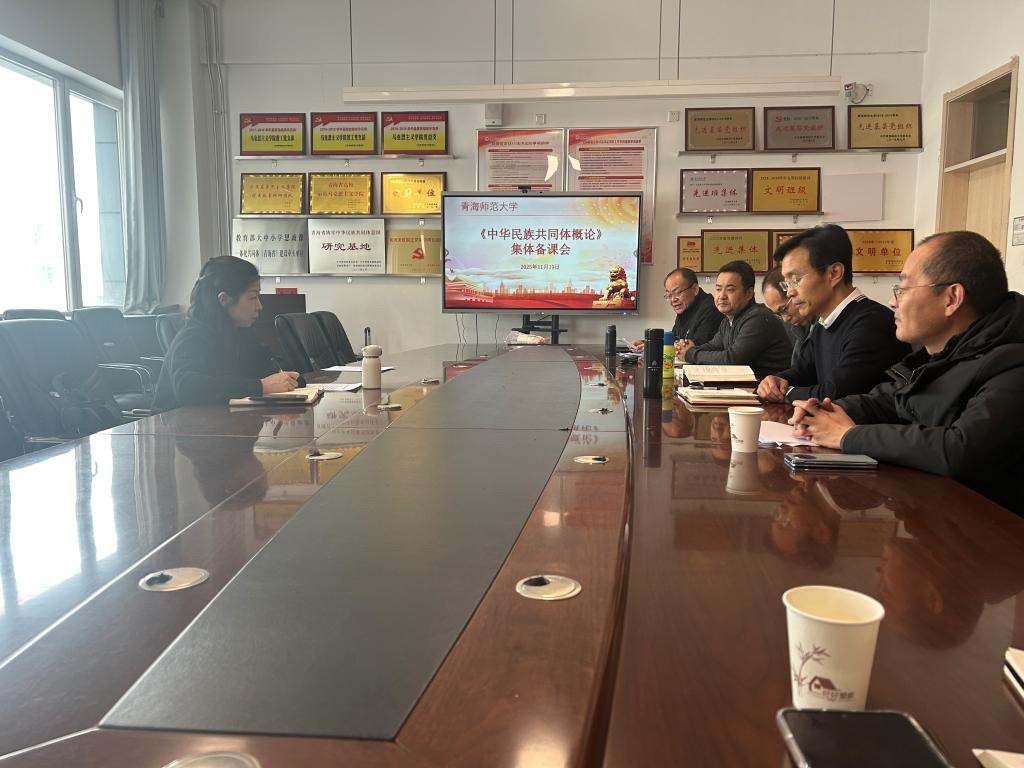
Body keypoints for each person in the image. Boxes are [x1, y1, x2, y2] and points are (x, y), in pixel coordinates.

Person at [790, 231, 1024, 513]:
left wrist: (847, 436)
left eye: (902, 289)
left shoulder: (1012, 362)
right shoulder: (941, 354)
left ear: (952, 298)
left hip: (990, 529)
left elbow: (959, 450)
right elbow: (888, 400)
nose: (893, 302)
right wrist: (822, 411)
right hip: (934, 512)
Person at [758, 225, 910, 403]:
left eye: (795, 280)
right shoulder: (825, 322)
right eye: (787, 283)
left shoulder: (872, 324)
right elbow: (802, 373)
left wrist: (786, 393)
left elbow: (835, 394)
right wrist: (775, 382)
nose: (790, 292)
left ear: (834, 273)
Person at [153, 255, 300, 411]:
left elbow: (264, 367)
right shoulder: (193, 336)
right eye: (252, 297)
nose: (259, 306)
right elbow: (188, 388)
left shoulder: (241, 331)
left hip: (223, 419)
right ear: (224, 299)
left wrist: (289, 378)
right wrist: (260, 386)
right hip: (178, 423)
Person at [678, 260, 792, 379]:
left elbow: (733, 359)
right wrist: (686, 349)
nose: (722, 296)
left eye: (730, 290)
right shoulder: (728, 319)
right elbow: (714, 346)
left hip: (773, 387)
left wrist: (690, 353)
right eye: (718, 289)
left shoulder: (758, 318)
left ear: (748, 293)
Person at [630, 267, 719, 353]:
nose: (673, 300)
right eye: (669, 295)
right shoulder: (686, 308)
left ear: (695, 289)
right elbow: (674, 338)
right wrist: (647, 343)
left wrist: (653, 347)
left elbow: (694, 346)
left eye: (677, 293)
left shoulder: (710, 309)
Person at [762, 266, 814, 366]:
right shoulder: (799, 328)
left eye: (784, 309)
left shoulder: (824, 324)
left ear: (794, 294)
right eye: (778, 314)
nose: (785, 319)